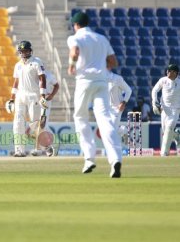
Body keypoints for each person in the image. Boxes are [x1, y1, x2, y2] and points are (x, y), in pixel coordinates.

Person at [67, 12, 122, 178]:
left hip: (84, 81)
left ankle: (89, 158)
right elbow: (113, 62)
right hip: (102, 81)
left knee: (80, 116)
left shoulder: (75, 37)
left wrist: (71, 65)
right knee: (105, 119)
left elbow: (75, 52)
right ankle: (115, 159)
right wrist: (100, 69)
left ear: (76, 25)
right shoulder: (101, 38)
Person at [5, 40, 48, 157]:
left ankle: (38, 149)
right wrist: (12, 98)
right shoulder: (18, 65)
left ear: (30, 51)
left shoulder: (36, 62)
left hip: (33, 96)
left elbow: (42, 79)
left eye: (26, 50)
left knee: (35, 123)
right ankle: (19, 150)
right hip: (20, 96)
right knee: (18, 123)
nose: (24, 53)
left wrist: (43, 96)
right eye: (22, 51)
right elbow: (16, 81)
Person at [27, 69, 59, 157]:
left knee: (42, 124)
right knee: (33, 128)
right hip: (34, 100)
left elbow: (56, 85)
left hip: (45, 100)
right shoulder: (31, 75)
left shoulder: (48, 74)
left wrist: (52, 95)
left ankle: (38, 149)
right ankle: (49, 146)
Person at [151, 64, 180, 156]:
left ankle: (164, 153)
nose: (167, 72)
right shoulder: (163, 80)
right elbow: (154, 90)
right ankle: (177, 136)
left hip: (175, 109)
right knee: (166, 131)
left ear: (175, 72)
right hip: (164, 109)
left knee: (169, 128)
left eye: (169, 70)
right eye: (167, 70)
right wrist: (154, 103)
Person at [107, 67, 132, 137]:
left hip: (117, 108)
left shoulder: (117, 78)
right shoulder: (101, 79)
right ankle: (124, 130)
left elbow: (128, 90)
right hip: (107, 109)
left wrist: (124, 103)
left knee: (112, 130)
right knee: (108, 130)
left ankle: (124, 131)